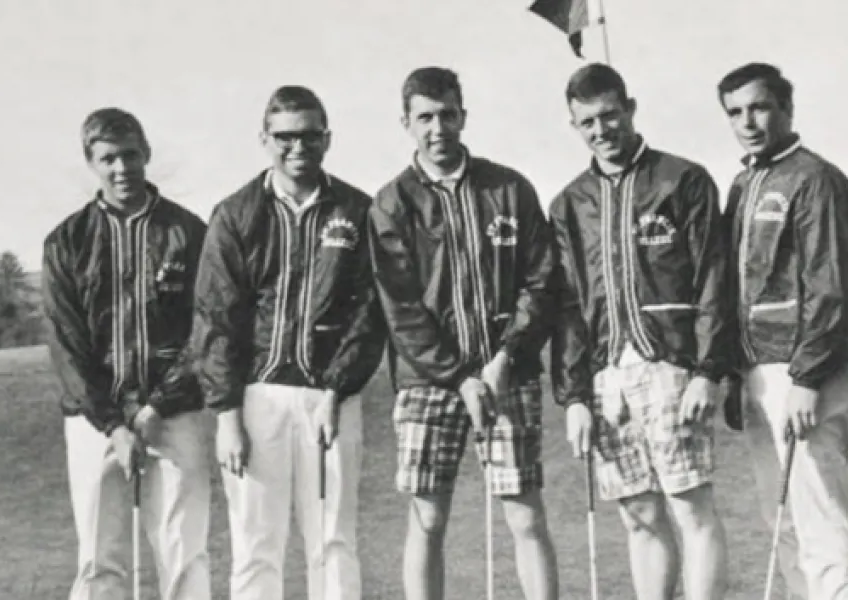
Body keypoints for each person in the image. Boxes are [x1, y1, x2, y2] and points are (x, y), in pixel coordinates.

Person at [369, 66, 560, 600]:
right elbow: (401, 308)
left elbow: (540, 280)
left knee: (525, 515)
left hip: (508, 375)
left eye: (447, 115)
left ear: (463, 116)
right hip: (429, 383)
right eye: (425, 117)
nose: (438, 128)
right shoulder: (392, 203)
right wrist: (459, 378)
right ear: (406, 122)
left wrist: (503, 359)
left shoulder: (508, 188)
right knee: (428, 518)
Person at [193, 85, 386, 600]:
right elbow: (215, 317)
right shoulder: (236, 213)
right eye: (285, 137)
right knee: (256, 546)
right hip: (258, 400)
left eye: (310, 136)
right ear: (264, 139)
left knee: (334, 541)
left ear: (328, 138)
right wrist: (227, 415)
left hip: (331, 401)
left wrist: (337, 389)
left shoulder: (356, 210)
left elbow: (369, 314)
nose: (298, 147)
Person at [549, 62, 731, 600]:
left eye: (610, 116)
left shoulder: (683, 179)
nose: (601, 130)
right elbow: (569, 307)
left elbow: (713, 279)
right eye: (587, 123)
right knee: (639, 514)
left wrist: (707, 370)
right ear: (574, 126)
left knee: (689, 505)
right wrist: (574, 395)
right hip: (609, 379)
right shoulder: (569, 202)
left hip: (674, 367)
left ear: (630, 109)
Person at [42, 108, 212, 600]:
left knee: (184, 553)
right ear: (91, 162)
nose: (122, 168)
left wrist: (159, 403)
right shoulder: (67, 240)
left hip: (174, 414)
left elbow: (205, 328)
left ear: (147, 154)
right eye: (108, 158)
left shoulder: (188, 231)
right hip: (95, 421)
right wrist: (113, 424)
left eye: (131, 155)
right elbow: (66, 342)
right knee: (100, 561)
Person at [718, 62, 848, 600]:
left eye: (759, 107)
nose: (748, 121)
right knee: (778, 512)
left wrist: (808, 376)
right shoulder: (743, 183)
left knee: (821, 509)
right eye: (736, 112)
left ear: (786, 108)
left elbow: (830, 287)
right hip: (758, 368)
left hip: (806, 372)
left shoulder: (814, 178)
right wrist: (735, 373)